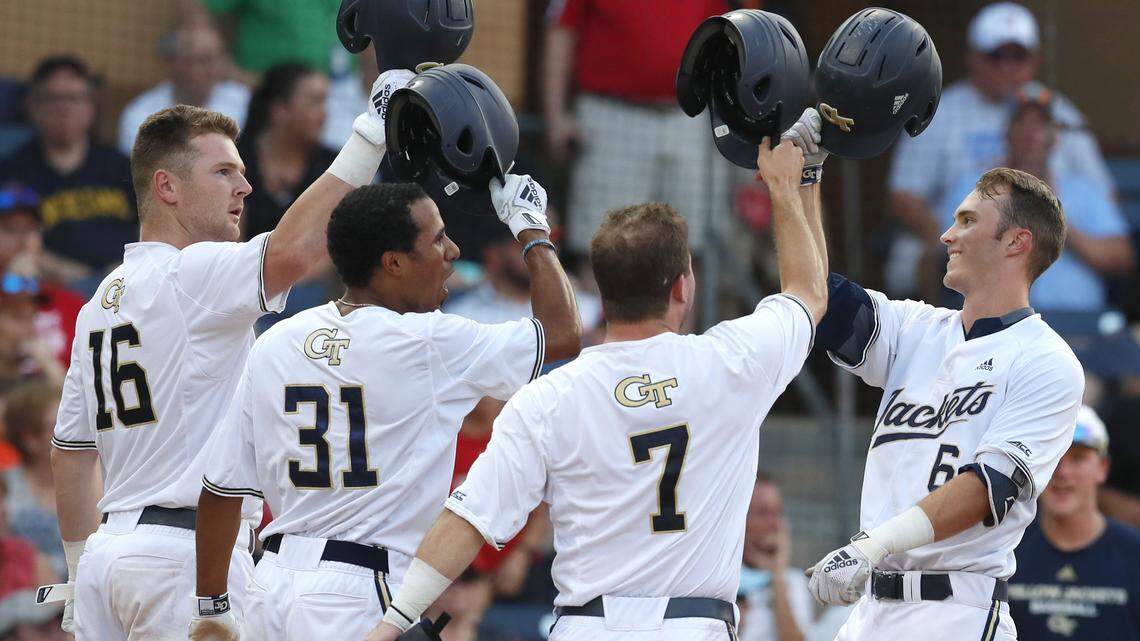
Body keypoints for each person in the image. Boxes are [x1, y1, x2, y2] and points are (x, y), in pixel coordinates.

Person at [362, 118, 829, 641]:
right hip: (694, 626)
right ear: (682, 288)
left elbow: (468, 521)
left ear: (601, 293)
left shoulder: (549, 395)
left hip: (589, 626)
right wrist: (793, 184)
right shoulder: (733, 361)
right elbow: (808, 294)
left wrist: (389, 626)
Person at [48, 65, 415, 641]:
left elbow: (70, 454)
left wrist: (76, 570)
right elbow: (294, 251)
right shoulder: (193, 273)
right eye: (224, 172)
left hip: (106, 558)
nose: (244, 188)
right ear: (167, 187)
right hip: (189, 561)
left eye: (242, 172)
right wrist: (370, 132)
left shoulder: (98, 303)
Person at [191, 176, 580, 640]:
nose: (453, 251)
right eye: (438, 240)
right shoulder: (431, 342)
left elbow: (220, 490)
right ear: (393, 262)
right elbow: (563, 334)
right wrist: (532, 229)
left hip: (270, 587)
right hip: (362, 593)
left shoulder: (277, 341)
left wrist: (212, 607)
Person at [805, 166, 1085, 640]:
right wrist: (799, 184)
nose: (946, 235)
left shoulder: (1047, 359)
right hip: (871, 610)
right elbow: (812, 293)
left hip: (956, 612)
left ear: (1016, 242)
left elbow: (986, 489)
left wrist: (874, 545)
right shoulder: (913, 328)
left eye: (968, 221)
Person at [886, 1, 1114, 301]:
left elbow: (1104, 198)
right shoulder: (941, 111)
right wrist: (957, 239)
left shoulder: (1057, 110)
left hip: (1052, 242)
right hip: (966, 230)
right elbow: (904, 196)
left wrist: (1050, 225)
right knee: (916, 259)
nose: (1008, 66)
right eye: (996, 55)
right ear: (973, 57)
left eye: (1018, 56)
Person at [542, 0, 739, 256]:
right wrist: (556, 115)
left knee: (688, 250)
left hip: (687, 118)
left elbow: (724, 36)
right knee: (606, 249)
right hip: (612, 115)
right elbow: (562, 29)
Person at [937, 88, 1133, 312]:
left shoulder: (1083, 190)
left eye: (1040, 124)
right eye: (1021, 123)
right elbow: (948, 249)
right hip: (994, 316)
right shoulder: (974, 187)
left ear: (1055, 137)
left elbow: (1121, 257)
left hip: (1077, 319)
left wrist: (1052, 222)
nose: (1031, 132)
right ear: (1007, 133)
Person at [0, 57, 135, 291]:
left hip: (125, 285)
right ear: (32, 106)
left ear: (91, 106)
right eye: (53, 98)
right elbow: (10, 241)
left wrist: (127, 268)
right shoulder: (12, 172)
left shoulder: (122, 166)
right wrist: (65, 273)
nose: (64, 108)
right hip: (49, 289)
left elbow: (151, 226)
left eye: (74, 98)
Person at [1007, 405, 1140, 640]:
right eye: (1054, 458)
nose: (1063, 472)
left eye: (1078, 458)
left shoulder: (1134, 553)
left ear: (1103, 468)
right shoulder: (1006, 552)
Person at [117, 25, 252, 155]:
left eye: (216, 59)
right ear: (174, 65)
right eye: (202, 61)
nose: (213, 70)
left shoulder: (245, 101)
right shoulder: (140, 115)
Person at [2, 380, 66, 579]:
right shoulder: (6, 487)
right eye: (57, 425)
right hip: (27, 592)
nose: (70, 431)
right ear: (30, 438)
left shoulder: (98, 478)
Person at [738, 474, 811, 641]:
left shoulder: (792, 581)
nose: (773, 523)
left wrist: (777, 576)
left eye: (777, 513)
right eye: (762, 513)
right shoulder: (721, 578)